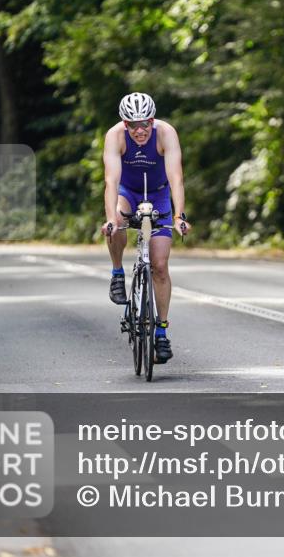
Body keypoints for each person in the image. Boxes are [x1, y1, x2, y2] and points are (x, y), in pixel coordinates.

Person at [100, 92, 191, 364]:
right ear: (124, 124)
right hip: (129, 191)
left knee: (160, 266)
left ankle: (161, 332)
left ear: (153, 121)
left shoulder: (166, 134)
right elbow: (111, 182)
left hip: (159, 193)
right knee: (116, 224)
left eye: (145, 124)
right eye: (133, 124)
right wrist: (110, 220)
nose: (140, 131)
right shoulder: (114, 136)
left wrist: (179, 217)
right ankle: (117, 273)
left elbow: (176, 178)